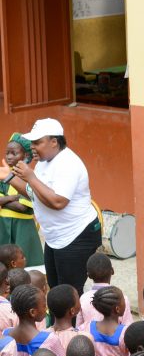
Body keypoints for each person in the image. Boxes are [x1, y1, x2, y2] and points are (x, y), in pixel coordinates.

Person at [8, 118, 101, 294]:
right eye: (32, 142)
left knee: (69, 292)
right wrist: (10, 177)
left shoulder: (68, 163)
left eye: (37, 142)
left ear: (54, 142)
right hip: (55, 237)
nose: (32, 147)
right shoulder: (43, 161)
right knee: (54, 285)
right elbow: (34, 192)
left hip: (75, 235)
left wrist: (31, 177)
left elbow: (58, 202)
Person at [0, 134, 43, 266]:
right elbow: (17, 203)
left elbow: (22, 207)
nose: (9, 157)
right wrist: (14, 197)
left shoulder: (29, 177)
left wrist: (4, 200)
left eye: (14, 153)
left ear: (25, 156)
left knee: (25, 265)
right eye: (7, 153)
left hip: (23, 229)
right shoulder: (3, 175)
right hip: (3, 226)